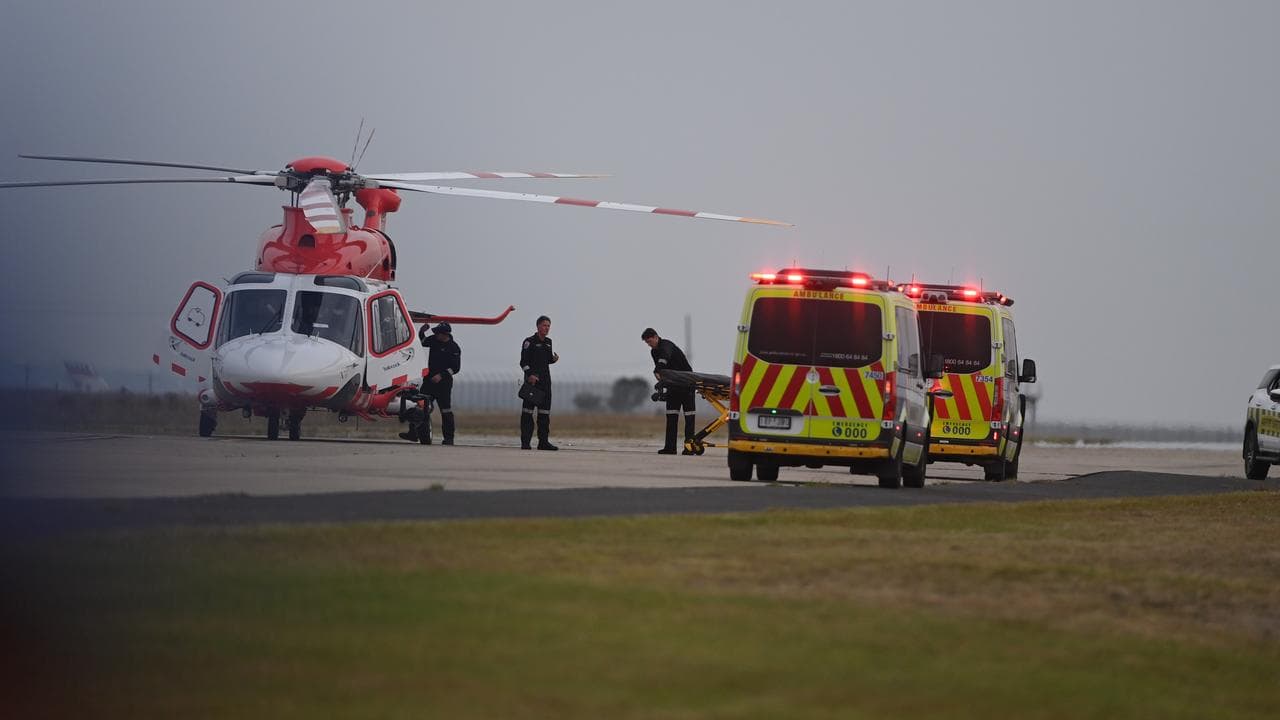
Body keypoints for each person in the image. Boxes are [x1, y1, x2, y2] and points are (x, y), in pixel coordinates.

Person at [399, 322, 462, 445]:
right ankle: (413, 433)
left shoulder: (454, 348)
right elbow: (422, 341)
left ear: (445, 334)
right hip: (429, 382)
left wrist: (442, 375)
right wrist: (422, 331)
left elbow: (456, 368)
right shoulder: (433, 340)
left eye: (437, 333)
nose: (435, 335)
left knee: (446, 410)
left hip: (444, 385)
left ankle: (449, 438)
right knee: (420, 406)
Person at [642, 328, 697, 455]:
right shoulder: (653, 352)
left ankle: (689, 448)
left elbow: (663, 361)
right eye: (647, 343)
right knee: (671, 417)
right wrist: (662, 384)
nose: (649, 345)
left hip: (686, 385)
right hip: (673, 386)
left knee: (689, 418)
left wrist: (659, 374)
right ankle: (670, 447)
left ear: (656, 337)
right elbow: (659, 371)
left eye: (650, 341)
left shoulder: (667, 345)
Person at [519, 315, 559, 450]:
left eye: (548, 326)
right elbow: (523, 362)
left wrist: (553, 359)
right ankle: (525, 442)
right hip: (533, 385)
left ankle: (543, 442)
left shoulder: (548, 342)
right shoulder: (529, 342)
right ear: (538, 326)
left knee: (544, 415)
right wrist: (529, 375)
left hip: (545, 384)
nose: (546, 328)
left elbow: (547, 360)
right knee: (527, 414)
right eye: (544, 325)